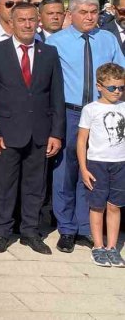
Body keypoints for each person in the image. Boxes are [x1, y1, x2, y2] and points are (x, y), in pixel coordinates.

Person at [0, 2, 64, 255]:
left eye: (32, 20)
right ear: (12, 22)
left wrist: (56, 133)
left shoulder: (49, 53)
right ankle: (3, 232)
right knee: (4, 186)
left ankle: (30, 231)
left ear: (38, 21)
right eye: (22, 20)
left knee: (35, 185)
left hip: (40, 132)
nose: (28, 25)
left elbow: (56, 96)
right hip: (7, 132)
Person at [48, 0, 125, 252]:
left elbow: (121, 73)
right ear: (71, 14)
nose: (90, 16)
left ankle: (84, 228)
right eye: (84, 12)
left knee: (90, 172)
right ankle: (66, 228)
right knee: (65, 172)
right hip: (70, 112)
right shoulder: (56, 42)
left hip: (102, 114)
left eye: (94, 11)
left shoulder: (108, 39)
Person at [76, 62, 125, 267]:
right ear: (99, 86)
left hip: (120, 163)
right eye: (112, 88)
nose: (117, 92)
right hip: (97, 163)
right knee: (97, 206)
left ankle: (112, 247)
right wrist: (84, 168)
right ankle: (98, 246)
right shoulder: (91, 109)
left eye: (121, 88)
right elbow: (81, 140)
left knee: (114, 206)